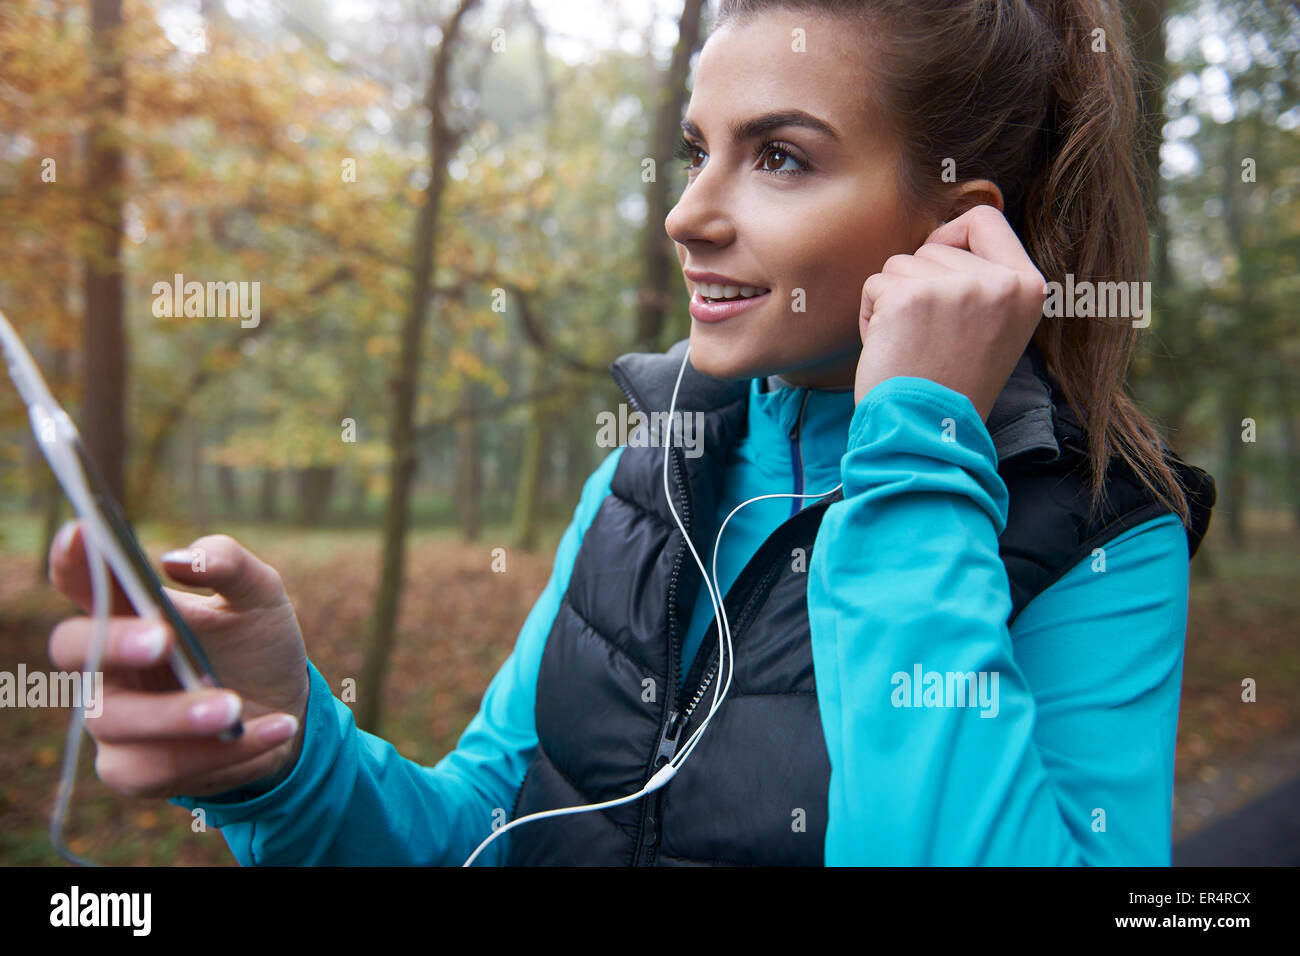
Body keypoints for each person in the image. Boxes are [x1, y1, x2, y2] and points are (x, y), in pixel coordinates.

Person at [46, 0, 1215, 866]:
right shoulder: (643, 474)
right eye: (698, 149)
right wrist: (289, 755)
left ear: (956, 239)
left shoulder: (1100, 535)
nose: (686, 213)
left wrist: (915, 450)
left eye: (779, 157)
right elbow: (487, 834)